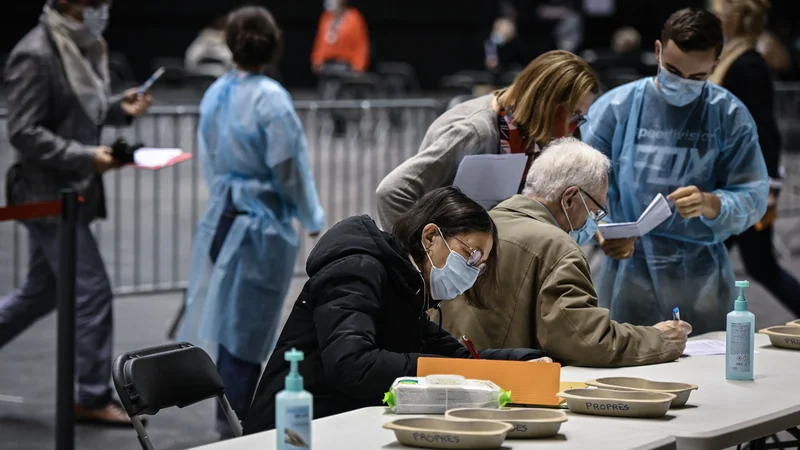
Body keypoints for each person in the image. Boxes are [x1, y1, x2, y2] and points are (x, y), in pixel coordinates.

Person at [243, 187, 551, 434]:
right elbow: (351, 364)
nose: (472, 271)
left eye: (479, 266)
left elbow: (458, 359)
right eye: (470, 255)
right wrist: (441, 373)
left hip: (342, 424)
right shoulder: (359, 269)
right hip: (290, 431)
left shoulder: (408, 287)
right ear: (431, 237)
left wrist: (526, 362)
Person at [0, 0, 152, 425]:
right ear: (67, 3)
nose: (102, 9)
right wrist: (86, 156)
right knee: (92, 292)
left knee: (41, 291)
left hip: (73, 192)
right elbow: (23, 131)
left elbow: (80, 107)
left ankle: (89, 394)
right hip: (45, 196)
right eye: (93, 3)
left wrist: (120, 108)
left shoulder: (84, 46)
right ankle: (90, 395)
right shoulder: (35, 52)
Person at [178, 5, 325, 438]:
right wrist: (310, 215)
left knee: (231, 331)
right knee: (246, 336)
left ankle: (230, 419)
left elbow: (210, 158)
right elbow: (287, 170)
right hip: (260, 228)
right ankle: (234, 429)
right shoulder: (271, 99)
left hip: (225, 216)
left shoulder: (217, 93)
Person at [581, 8, 769, 335]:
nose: (682, 84)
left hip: (699, 277)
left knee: (704, 372)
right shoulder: (615, 110)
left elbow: (753, 193)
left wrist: (712, 203)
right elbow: (581, 189)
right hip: (626, 274)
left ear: (715, 63)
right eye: (672, 70)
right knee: (626, 370)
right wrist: (603, 231)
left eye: (697, 78)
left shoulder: (728, 115)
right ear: (657, 50)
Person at [436, 138, 691, 367]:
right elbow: (586, 341)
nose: (594, 222)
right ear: (570, 198)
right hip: (509, 393)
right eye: (596, 210)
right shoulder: (557, 246)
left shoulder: (480, 225)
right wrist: (660, 339)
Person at [376, 50, 599, 231]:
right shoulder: (476, 131)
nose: (574, 127)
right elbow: (393, 192)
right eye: (573, 114)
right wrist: (415, 260)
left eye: (581, 117)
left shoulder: (530, 133)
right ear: (545, 103)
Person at [710, 0, 800, 319]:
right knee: (726, 259)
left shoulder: (747, 63)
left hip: (746, 185)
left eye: (719, 16)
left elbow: (764, 127)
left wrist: (771, 185)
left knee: (756, 265)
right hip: (735, 182)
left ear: (732, 21)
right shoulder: (735, 59)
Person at [311, 0, 370, 75]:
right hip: (327, 67)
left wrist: (358, 66)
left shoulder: (354, 18)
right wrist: (317, 59)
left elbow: (361, 45)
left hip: (346, 67)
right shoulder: (326, 17)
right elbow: (320, 42)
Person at [185, 14, 233, 78]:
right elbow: (191, 58)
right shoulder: (204, 37)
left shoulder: (229, 38)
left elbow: (230, 60)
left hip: (223, 73)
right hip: (200, 74)